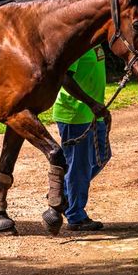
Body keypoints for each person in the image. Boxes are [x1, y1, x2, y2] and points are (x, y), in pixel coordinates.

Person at [52, 45, 112, 231]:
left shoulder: (96, 45)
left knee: (102, 156)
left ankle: (63, 196)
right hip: (75, 114)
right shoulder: (77, 47)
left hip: (94, 113)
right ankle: (76, 216)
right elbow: (64, 78)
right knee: (80, 166)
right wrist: (91, 103)